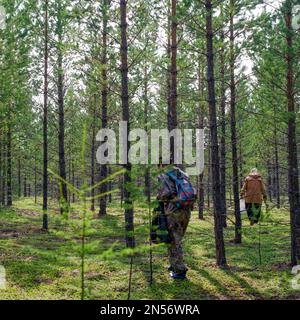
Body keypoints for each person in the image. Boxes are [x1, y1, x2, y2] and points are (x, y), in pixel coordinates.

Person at [156, 164, 193, 280]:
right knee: (178, 238)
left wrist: (158, 198)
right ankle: (174, 264)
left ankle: (179, 271)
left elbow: (164, 194)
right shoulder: (183, 174)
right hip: (186, 211)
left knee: (174, 241)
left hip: (173, 211)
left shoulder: (163, 175)